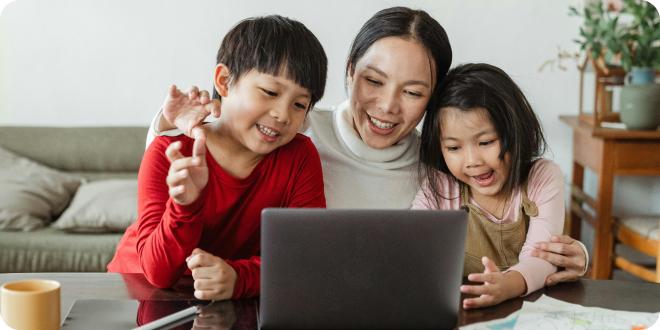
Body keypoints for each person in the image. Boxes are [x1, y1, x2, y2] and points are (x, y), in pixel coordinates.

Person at [149, 7, 588, 291]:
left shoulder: (444, 166)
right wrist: (168, 123)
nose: (387, 107)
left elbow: (494, 224)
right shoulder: (293, 130)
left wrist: (566, 257)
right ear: (350, 70)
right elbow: (198, 163)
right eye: (373, 82)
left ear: (433, 100)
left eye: (413, 92)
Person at [107, 15, 328, 300]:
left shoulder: (299, 156)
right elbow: (158, 273)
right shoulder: (168, 152)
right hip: (138, 289)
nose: (283, 115)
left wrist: (238, 278)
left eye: (300, 104)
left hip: (223, 296)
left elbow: (306, 259)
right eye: (270, 92)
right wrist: (185, 206)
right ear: (224, 81)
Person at [413, 63, 572, 309]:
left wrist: (506, 286)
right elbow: (410, 244)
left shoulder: (542, 177)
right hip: (463, 310)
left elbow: (542, 258)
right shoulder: (441, 186)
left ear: (515, 130)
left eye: (486, 142)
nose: (473, 161)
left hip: (531, 310)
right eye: (454, 148)